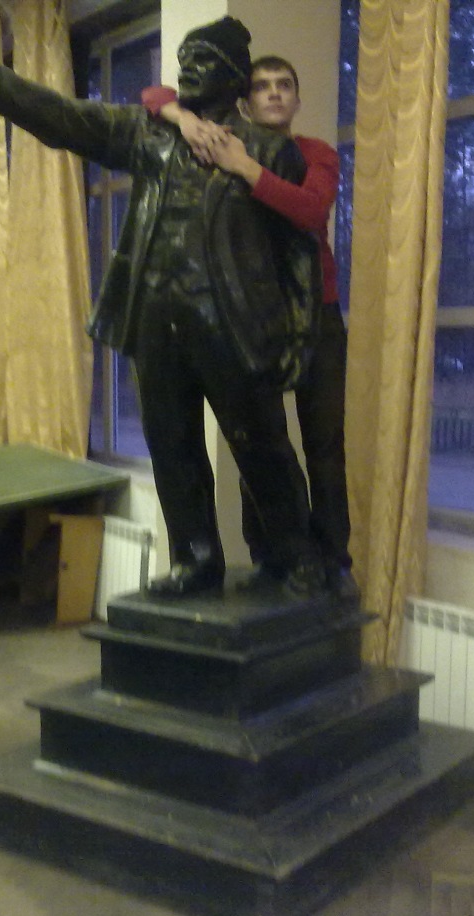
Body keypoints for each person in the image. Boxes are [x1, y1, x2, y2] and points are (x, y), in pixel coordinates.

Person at [0, 11, 325, 598]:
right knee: (171, 446)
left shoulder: (266, 149)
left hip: (233, 324)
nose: (187, 68)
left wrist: (299, 333)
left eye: (202, 60)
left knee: (261, 447)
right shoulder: (148, 133)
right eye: (183, 59)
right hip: (155, 318)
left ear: (235, 75)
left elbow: (298, 251)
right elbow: (66, 117)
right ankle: (195, 561)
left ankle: (297, 557)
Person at [142, 56, 357, 600]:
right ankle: (273, 557)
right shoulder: (217, 143)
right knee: (259, 440)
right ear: (245, 100)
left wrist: (244, 168)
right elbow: (151, 95)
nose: (275, 94)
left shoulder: (314, 153)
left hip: (317, 316)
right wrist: (182, 118)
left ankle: (333, 558)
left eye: (285, 85)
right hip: (256, 319)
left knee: (324, 445)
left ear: (297, 99)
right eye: (262, 86)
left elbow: (310, 211)